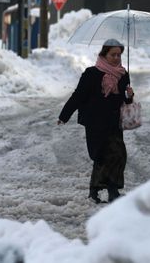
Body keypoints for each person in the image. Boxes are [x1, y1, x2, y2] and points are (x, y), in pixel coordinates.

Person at [58, 38, 135, 204]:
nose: (116, 58)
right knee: (101, 155)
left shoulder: (123, 74)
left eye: (118, 55)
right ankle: (96, 190)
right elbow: (78, 96)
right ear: (104, 54)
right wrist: (64, 115)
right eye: (113, 54)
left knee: (117, 154)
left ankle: (112, 190)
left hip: (114, 121)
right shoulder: (91, 74)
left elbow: (124, 100)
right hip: (95, 122)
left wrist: (129, 96)